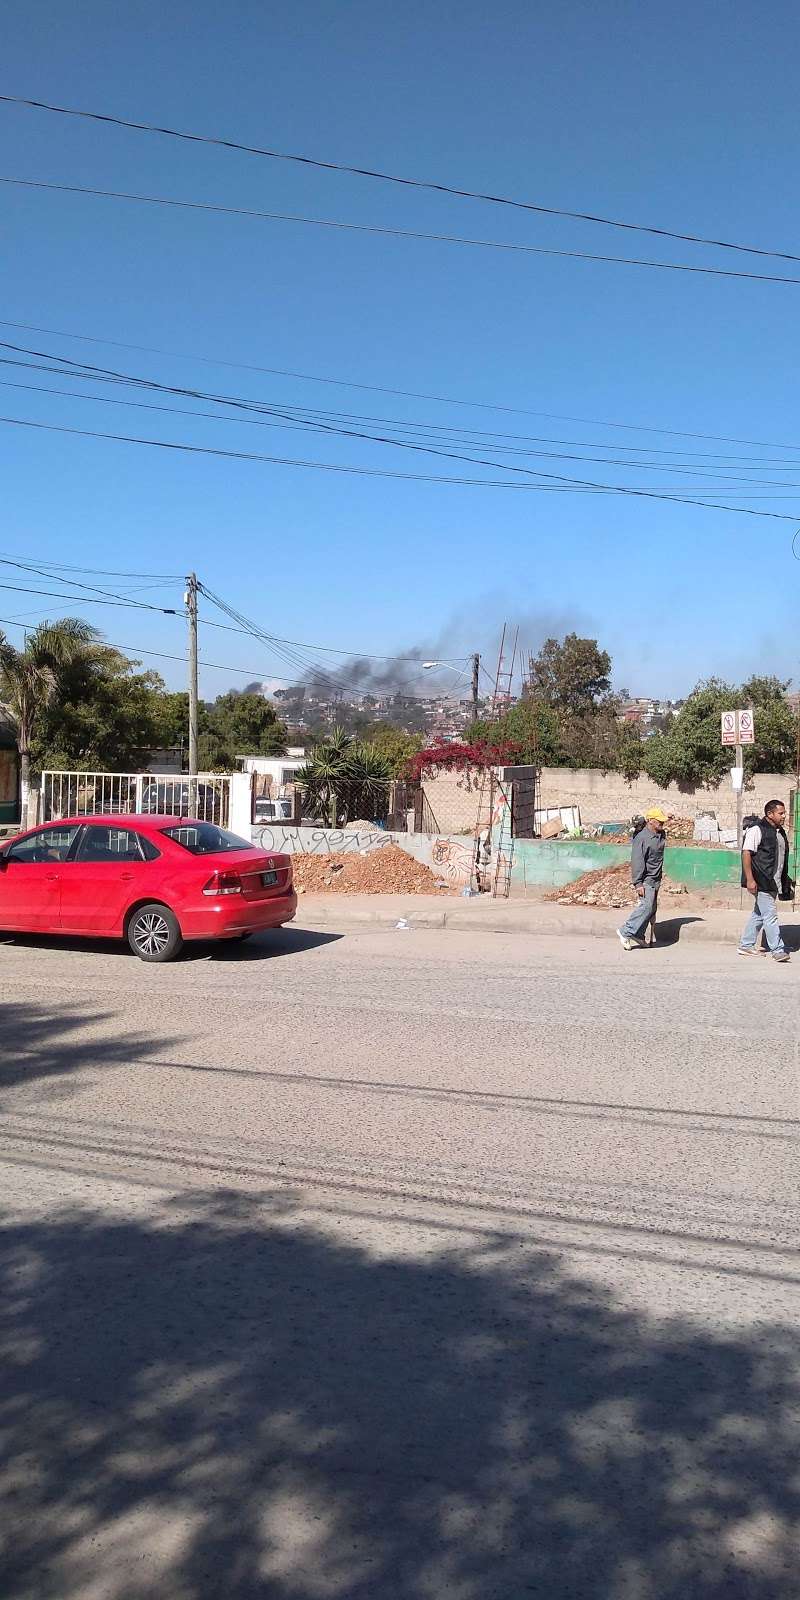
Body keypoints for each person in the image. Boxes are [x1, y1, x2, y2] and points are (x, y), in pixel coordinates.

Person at [738, 799, 792, 962]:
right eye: (780, 813)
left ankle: (746, 945)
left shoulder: (780, 832)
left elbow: (780, 858)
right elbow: (746, 853)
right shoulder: (756, 830)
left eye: (784, 813)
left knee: (759, 914)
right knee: (770, 915)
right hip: (761, 880)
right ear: (770, 814)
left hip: (774, 881)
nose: (783, 816)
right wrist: (750, 880)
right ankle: (777, 949)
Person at [616, 808, 667, 951]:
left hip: (656, 878)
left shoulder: (660, 833)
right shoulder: (641, 838)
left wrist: (667, 817)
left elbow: (661, 828)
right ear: (651, 821)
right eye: (660, 820)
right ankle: (626, 931)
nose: (663, 823)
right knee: (646, 907)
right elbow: (637, 861)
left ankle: (638, 934)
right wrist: (638, 883)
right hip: (646, 879)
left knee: (652, 910)